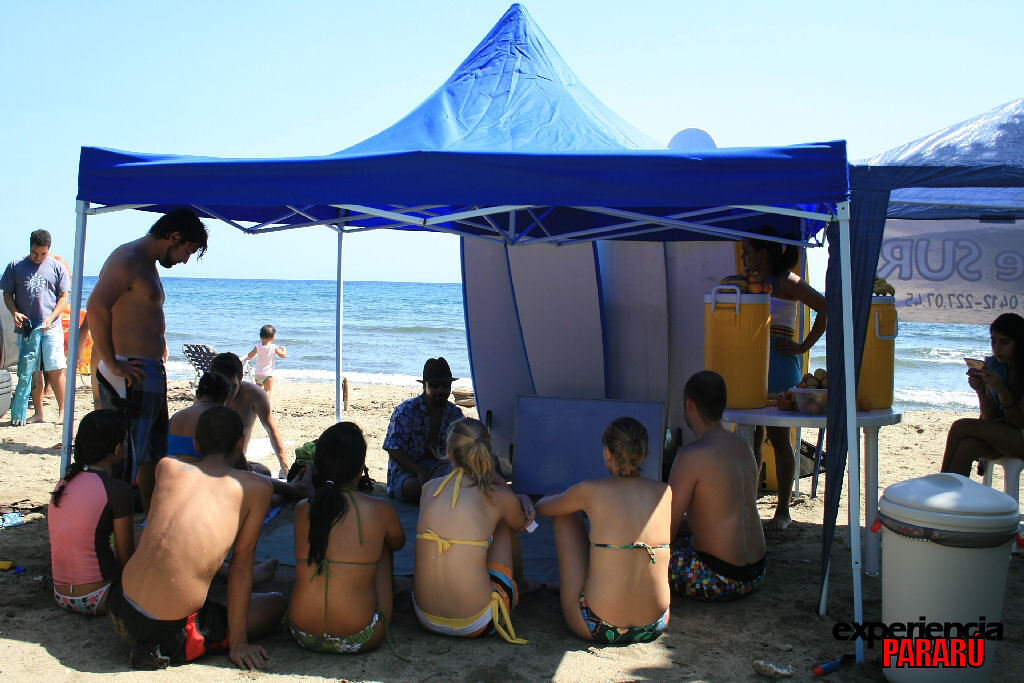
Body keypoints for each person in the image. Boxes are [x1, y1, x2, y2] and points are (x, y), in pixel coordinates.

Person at [106, 406, 287, 670]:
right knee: (276, 603)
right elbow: (241, 568)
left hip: (119, 607)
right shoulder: (257, 488)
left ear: (196, 444)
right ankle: (162, 645)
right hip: (168, 631)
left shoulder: (167, 467)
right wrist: (238, 643)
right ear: (240, 444)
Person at [87, 208, 208, 511]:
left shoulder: (147, 263)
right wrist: (113, 363)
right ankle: (115, 533)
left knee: (153, 454)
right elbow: (97, 305)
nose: (185, 259)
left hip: (148, 371)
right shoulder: (127, 259)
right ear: (174, 236)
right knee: (122, 457)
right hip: (130, 371)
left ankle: (148, 518)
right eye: (187, 250)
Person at [536, 417, 672, 645]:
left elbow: (543, 508)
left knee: (562, 510)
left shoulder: (590, 490)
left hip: (597, 625)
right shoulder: (664, 492)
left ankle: (571, 588)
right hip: (655, 623)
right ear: (644, 453)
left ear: (607, 453)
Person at [413, 418, 534, 645]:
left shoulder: (429, 489)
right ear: (488, 453)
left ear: (448, 453)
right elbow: (520, 522)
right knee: (504, 523)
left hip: (425, 617)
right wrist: (518, 495)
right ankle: (521, 585)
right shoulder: (498, 497)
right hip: (477, 621)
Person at [288, 422, 405, 654]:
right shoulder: (380, 511)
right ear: (361, 467)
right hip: (359, 636)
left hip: (302, 632)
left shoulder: (303, 509)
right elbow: (398, 542)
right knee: (383, 545)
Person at [740, 228, 826, 531]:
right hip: (753, 365)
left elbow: (826, 308)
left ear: (763, 254)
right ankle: (750, 503)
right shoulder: (749, 283)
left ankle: (783, 510)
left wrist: (804, 346)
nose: (743, 256)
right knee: (751, 435)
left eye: (747, 251)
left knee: (779, 438)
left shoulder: (787, 280)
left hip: (781, 363)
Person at [667, 371, 767, 600]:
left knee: (641, 552)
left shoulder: (692, 454)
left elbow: (666, 527)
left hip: (718, 577)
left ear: (689, 404)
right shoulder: (742, 446)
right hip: (756, 572)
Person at [47, 409, 133, 615]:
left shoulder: (64, 482)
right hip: (101, 594)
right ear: (117, 448)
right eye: (126, 442)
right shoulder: (116, 490)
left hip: (61, 595)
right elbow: (126, 557)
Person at [941, 313, 1024, 476]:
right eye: (993, 341)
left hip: (1019, 434)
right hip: (1006, 434)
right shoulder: (997, 366)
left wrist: (1001, 390)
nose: (996, 348)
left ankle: (941, 481)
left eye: (1004, 342)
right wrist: (981, 390)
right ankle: (951, 498)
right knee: (967, 446)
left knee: (960, 426)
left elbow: (1018, 422)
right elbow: (989, 417)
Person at [1, 229, 70, 424]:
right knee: (32, 371)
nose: (38, 257)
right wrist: (14, 312)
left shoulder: (57, 267)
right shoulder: (15, 266)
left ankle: (63, 412)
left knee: (55, 370)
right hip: (26, 328)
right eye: (35, 253)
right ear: (29, 246)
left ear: (49, 250)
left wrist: (51, 318)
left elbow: (64, 297)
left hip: (51, 327)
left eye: (43, 254)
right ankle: (38, 412)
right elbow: (7, 293)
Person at [384, 357, 465, 503]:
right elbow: (393, 449)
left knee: (466, 482)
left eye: (446, 385)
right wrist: (420, 472)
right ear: (424, 386)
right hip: (407, 472)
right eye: (435, 385)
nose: (441, 390)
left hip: (441, 468)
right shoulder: (406, 411)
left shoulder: (455, 414)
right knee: (414, 488)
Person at [210, 352, 290, 479]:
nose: (228, 392)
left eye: (233, 386)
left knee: (265, 472)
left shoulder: (255, 395)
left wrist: (284, 467)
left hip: (237, 464)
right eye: (224, 386)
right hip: (210, 463)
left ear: (241, 378)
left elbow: (271, 430)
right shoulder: (207, 397)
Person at [243, 324, 287, 399]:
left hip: (258, 373)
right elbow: (283, 355)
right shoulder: (273, 347)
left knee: (258, 390)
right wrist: (284, 349)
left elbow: (250, 356)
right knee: (268, 390)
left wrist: (244, 358)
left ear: (260, 337)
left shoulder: (258, 347)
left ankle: (257, 403)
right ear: (273, 338)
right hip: (268, 374)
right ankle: (265, 405)